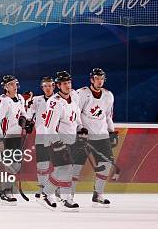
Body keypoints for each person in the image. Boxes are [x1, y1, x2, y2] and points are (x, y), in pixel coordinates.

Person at [39, 71, 86, 211]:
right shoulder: (55, 102)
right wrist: (57, 143)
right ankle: (64, 198)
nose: (67, 85)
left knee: (66, 170)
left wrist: (81, 128)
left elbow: (76, 117)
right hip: (57, 140)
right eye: (64, 83)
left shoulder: (74, 97)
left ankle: (48, 194)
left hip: (71, 140)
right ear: (58, 85)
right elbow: (49, 127)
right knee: (64, 169)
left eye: (69, 83)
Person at [0, 75, 32, 205]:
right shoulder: (2, 100)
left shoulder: (20, 98)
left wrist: (27, 121)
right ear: (5, 87)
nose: (14, 86)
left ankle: (2, 192)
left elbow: (23, 114)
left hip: (17, 137)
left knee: (15, 165)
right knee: (11, 165)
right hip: (6, 138)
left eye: (15, 83)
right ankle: (5, 191)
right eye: (11, 84)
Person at [73, 68, 117, 207]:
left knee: (106, 164)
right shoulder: (82, 93)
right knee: (76, 166)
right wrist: (80, 129)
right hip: (84, 136)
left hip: (101, 135)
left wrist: (111, 132)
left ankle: (98, 194)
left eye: (101, 78)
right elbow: (76, 113)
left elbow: (108, 116)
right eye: (97, 78)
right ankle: (69, 194)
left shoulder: (108, 95)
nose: (99, 81)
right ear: (91, 79)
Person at [27, 77, 55, 199]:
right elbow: (30, 114)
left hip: (56, 137)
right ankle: (43, 188)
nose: (48, 88)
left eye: (50, 85)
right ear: (42, 87)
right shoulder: (37, 100)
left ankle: (57, 189)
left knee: (59, 165)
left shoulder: (59, 100)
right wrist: (28, 122)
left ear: (54, 86)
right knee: (42, 165)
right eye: (45, 86)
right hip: (41, 137)